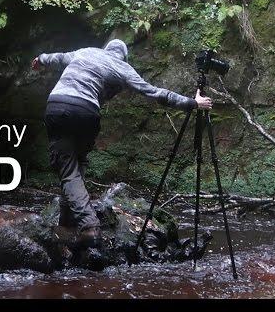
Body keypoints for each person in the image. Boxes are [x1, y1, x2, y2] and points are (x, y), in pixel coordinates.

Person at [32, 39, 213, 246]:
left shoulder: (87, 51)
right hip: (88, 113)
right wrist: (192, 103)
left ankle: (89, 226)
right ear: (123, 56)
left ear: (105, 49)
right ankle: (67, 225)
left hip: (59, 105)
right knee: (75, 166)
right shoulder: (122, 67)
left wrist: (40, 59)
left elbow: (57, 57)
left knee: (67, 169)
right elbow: (153, 92)